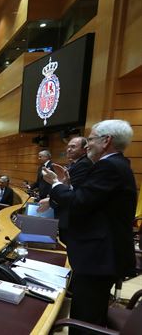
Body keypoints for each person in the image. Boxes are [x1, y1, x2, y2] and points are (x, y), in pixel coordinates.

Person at [42, 120, 136, 332]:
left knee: (84, 319)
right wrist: (67, 187)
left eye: (91, 139)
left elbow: (79, 202)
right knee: (93, 314)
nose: (87, 145)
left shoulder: (109, 166)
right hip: (101, 256)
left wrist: (55, 185)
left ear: (107, 141)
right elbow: (92, 200)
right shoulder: (116, 165)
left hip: (98, 259)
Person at [39, 136, 93, 244]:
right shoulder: (75, 164)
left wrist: (51, 199)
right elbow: (66, 186)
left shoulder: (84, 164)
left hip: (72, 219)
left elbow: (72, 193)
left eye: (73, 147)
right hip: (66, 216)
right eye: (68, 147)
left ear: (84, 149)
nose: (68, 149)